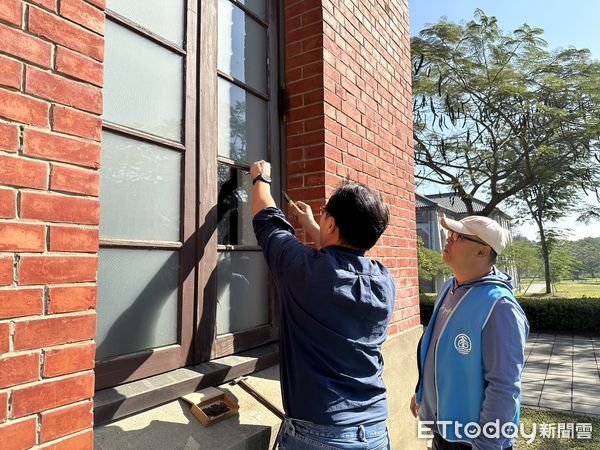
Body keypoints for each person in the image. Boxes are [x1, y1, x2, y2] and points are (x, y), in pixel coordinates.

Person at [250, 160, 396, 450]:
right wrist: (311, 224)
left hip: (317, 437)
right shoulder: (384, 280)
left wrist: (260, 178)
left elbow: (266, 214)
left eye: (325, 215)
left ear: (331, 223)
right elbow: (340, 257)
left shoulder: (305, 271)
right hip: (375, 431)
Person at [410, 215, 529, 450]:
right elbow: (437, 351)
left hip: (473, 442)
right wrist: (423, 393)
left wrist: (487, 444)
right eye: (449, 234)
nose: (448, 240)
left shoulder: (500, 307)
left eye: (457, 236)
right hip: (443, 432)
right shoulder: (449, 288)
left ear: (483, 251)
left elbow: (504, 387)